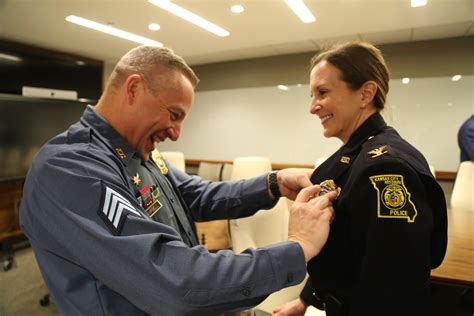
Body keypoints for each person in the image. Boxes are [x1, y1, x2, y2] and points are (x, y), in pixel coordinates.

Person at [19, 45, 337, 316]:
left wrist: (274, 183)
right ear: (133, 88)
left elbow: (196, 195)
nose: (176, 133)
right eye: (174, 114)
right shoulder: (73, 168)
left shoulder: (139, 154)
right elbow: (174, 278)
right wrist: (299, 246)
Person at [273, 42, 448, 316]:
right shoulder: (352, 157)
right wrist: (306, 300)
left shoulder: (385, 168)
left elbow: (391, 291)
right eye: (312, 95)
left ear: (365, 93)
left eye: (322, 92)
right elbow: (343, 250)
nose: (312, 107)